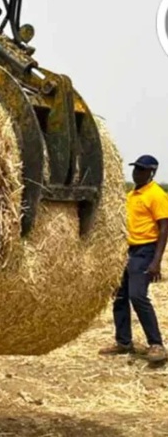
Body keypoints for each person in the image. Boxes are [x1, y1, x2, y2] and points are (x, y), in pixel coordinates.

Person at [100, 154, 168, 363]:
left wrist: (156, 261)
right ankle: (123, 342)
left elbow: (164, 227)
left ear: (151, 173)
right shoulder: (131, 194)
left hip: (145, 251)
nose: (137, 173)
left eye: (142, 170)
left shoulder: (156, 195)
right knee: (119, 297)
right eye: (136, 169)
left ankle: (156, 344)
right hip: (126, 251)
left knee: (137, 296)